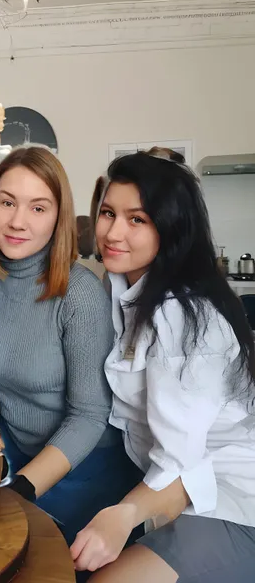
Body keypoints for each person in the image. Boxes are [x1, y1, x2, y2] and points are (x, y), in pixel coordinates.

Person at [71, 152, 255, 582]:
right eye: (108, 214)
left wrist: (124, 515)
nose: (114, 232)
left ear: (170, 228)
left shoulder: (184, 314)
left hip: (232, 497)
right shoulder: (122, 288)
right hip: (177, 489)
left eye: (138, 219)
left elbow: (181, 459)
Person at [0, 146, 140, 545]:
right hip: (15, 451)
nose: (18, 221)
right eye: (7, 202)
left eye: (38, 208)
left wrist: (21, 490)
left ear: (58, 218)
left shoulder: (79, 294)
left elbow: (90, 415)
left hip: (84, 467)